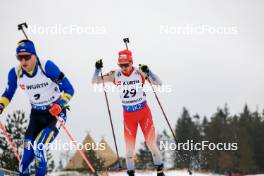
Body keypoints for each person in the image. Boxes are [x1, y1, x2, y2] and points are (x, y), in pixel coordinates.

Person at [0, 39, 74, 176]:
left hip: (55, 114)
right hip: (36, 115)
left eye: (27, 57)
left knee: (39, 148)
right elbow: (8, 93)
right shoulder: (15, 73)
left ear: (35, 55)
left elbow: (69, 89)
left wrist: (60, 104)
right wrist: (1, 105)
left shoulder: (47, 67)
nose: (23, 61)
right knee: (24, 161)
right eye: (19, 58)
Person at [92, 49, 165, 176]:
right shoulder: (115, 74)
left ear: (132, 62)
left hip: (143, 113)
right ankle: (131, 173)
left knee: (152, 144)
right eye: (121, 65)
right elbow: (95, 81)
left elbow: (159, 83)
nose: (124, 67)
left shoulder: (140, 71)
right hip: (128, 115)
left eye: (126, 64)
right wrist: (97, 70)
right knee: (129, 149)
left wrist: (149, 72)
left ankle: (160, 171)